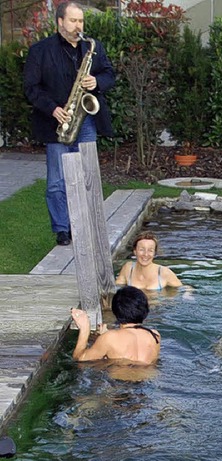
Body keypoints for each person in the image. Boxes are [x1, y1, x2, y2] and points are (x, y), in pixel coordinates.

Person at [24, 1, 115, 246]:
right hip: (58, 122)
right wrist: (53, 109)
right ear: (60, 22)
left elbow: (109, 74)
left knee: (87, 176)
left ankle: (85, 225)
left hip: (86, 121)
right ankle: (62, 229)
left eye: (81, 21)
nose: (78, 26)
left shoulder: (92, 47)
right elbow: (31, 88)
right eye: (73, 20)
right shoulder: (40, 50)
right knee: (57, 181)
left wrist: (96, 82)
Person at [71, 286, 160, 364]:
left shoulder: (109, 338)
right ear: (145, 310)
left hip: (118, 383)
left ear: (115, 311)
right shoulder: (155, 336)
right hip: (145, 381)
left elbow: (79, 359)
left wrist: (85, 328)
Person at [115, 231, 183, 290]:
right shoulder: (128, 269)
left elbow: (184, 289)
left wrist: (187, 295)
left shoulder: (164, 272)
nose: (146, 254)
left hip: (157, 304)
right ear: (135, 251)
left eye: (150, 250)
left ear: (154, 253)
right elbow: (115, 288)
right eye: (142, 250)